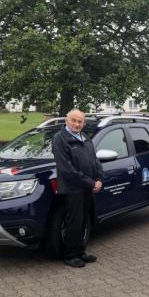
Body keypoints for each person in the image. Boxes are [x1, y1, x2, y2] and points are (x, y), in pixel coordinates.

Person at [51, 109, 103, 268]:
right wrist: (90, 182)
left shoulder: (85, 138)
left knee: (83, 221)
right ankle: (70, 255)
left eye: (80, 121)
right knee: (74, 222)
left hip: (87, 188)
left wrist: (99, 179)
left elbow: (95, 161)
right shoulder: (60, 139)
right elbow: (67, 169)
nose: (77, 124)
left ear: (84, 123)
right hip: (73, 188)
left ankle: (80, 251)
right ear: (67, 121)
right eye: (74, 120)